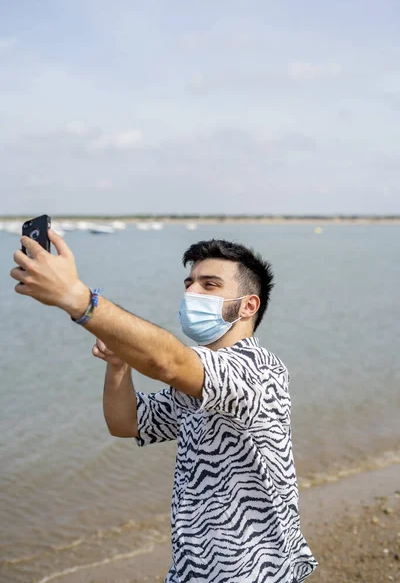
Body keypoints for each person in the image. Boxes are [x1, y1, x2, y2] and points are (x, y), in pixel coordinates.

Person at [10, 230, 318, 583]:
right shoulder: (198, 386)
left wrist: (77, 299)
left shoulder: (257, 370)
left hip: (252, 571)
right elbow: (126, 423)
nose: (191, 292)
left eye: (209, 284)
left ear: (248, 305)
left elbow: (167, 362)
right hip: (193, 569)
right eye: (189, 283)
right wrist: (119, 364)